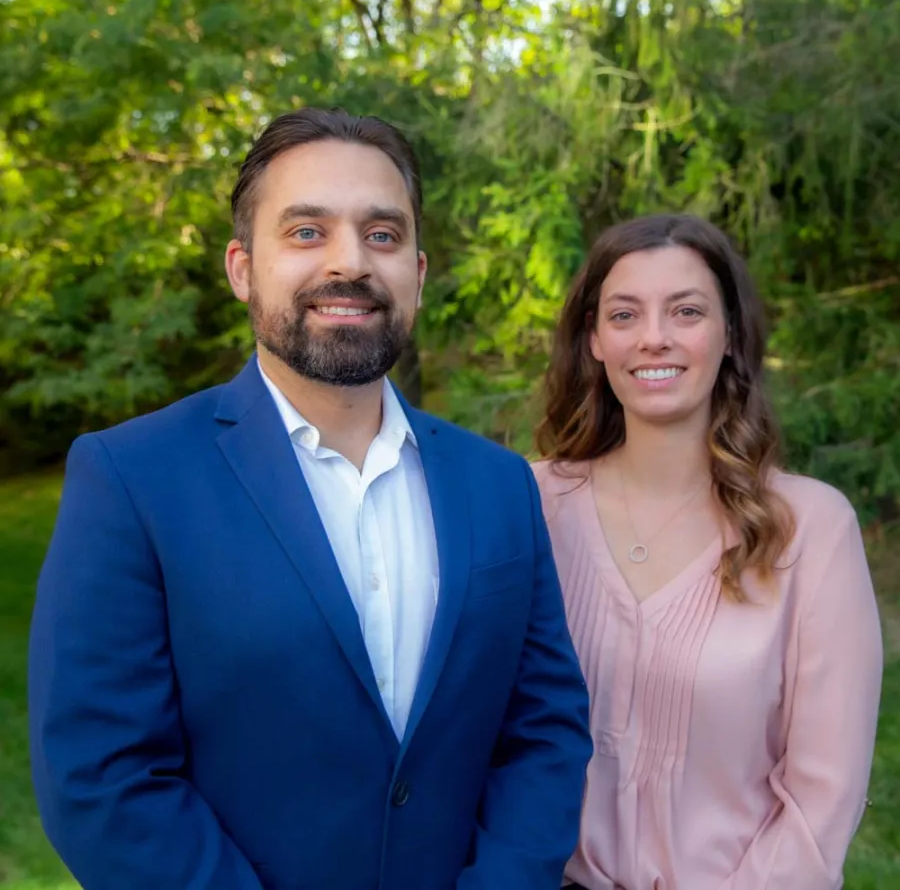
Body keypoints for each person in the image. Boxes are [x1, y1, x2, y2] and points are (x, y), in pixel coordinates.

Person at [28, 107, 592, 890]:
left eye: (382, 234)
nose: (350, 263)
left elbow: (546, 731)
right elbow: (102, 777)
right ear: (241, 269)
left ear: (418, 275)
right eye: (306, 232)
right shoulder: (131, 479)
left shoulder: (498, 485)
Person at [531, 213, 883, 890]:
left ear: (729, 335)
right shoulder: (528, 504)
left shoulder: (810, 529)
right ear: (596, 340)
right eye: (625, 314)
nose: (654, 337)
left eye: (686, 311)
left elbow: (821, 805)